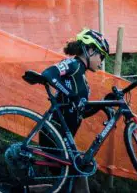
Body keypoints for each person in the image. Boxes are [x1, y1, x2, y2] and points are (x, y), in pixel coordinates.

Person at [38, 29, 111, 193]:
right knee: (78, 180)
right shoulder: (73, 64)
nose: (102, 61)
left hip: (64, 137)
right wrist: (69, 93)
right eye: (101, 56)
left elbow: (81, 112)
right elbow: (49, 74)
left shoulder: (83, 78)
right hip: (54, 132)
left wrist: (103, 104)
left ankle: (25, 190)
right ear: (90, 50)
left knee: (68, 184)